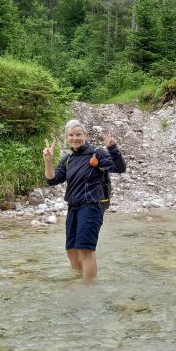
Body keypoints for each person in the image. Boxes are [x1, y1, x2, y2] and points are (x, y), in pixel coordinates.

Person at [43, 119, 126, 281]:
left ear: (85, 135)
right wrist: (48, 161)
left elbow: (120, 168)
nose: (75, 138)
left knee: (86, 250)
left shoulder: (97, 153)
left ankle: (87, 288)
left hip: (92, 206)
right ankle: (82, 280)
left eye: (78, 134)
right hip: (73, 207)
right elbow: (52, 180)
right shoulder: (67, 159)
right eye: (71, 135)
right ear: (67, 138)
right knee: (71, 250)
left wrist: (112, 148)